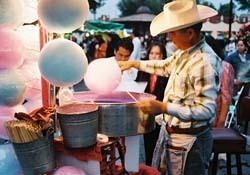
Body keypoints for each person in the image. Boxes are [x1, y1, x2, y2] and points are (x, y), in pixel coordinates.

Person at [118, 1, 221, 174]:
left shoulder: (204, 62)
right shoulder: (184, 52)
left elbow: (206, 109)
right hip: (173, 135)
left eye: (172, 33)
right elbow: (164, 66)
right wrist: (135, 63)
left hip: (190, 141)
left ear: (189, 33)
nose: (170, 38)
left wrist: (163, 107)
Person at [136, 41, 169, 166]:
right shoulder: (143, 71)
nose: (154, 56)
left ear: (162, 56)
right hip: (145, 114)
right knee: (147, 145)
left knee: (159, 146)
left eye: (158, 54)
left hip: (161, 114)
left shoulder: (167, 73)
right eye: (152, 53)